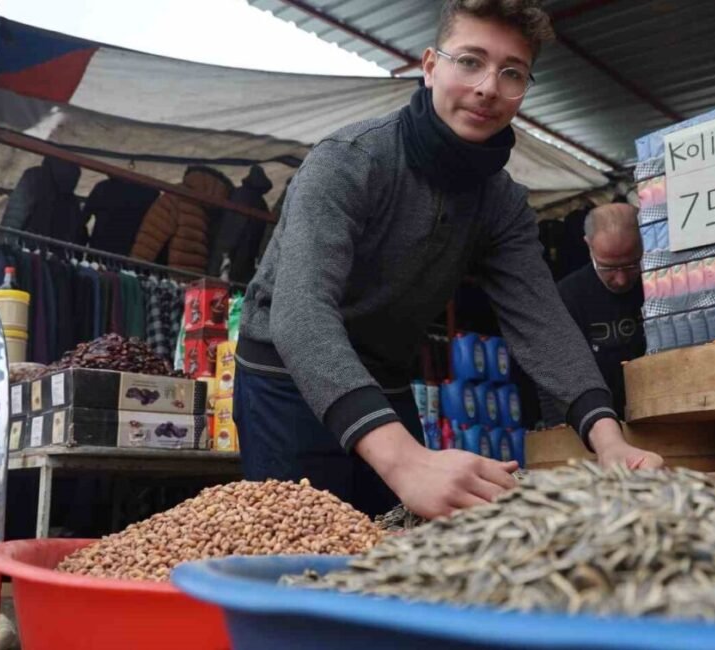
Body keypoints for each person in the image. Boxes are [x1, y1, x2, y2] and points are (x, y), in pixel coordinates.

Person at [234, 0, 664, 520]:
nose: (487, 87)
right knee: (296, 555)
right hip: (285, 377)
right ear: (430, 65)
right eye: (470, 61)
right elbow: (301, 314)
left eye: (512, 73)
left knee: (401, 554)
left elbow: (543, 322)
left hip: (386, 380)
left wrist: (608, 439)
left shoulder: (502, 203)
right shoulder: (350, 160)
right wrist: (405, 461)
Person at [539, 202, 646, 424]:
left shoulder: (662, 284)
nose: (621, 279)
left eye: (631, 265)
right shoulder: (566, 297)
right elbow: (553, 376)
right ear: (588, 246)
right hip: (595, 426)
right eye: (608, 267)